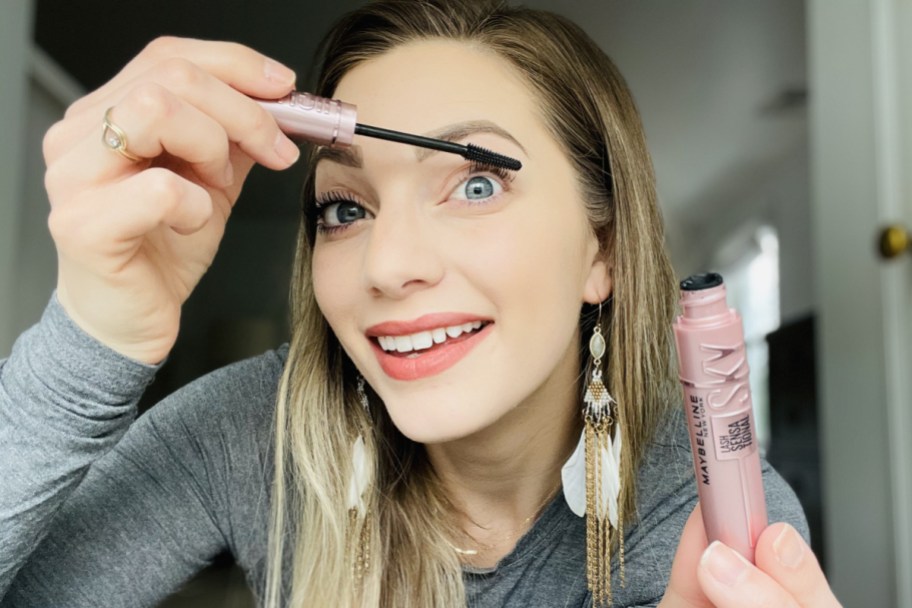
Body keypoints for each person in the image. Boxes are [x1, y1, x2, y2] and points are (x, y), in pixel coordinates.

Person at [0, 1, 841, 606]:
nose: (388, 264)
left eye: (476, 184)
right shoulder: (254, 430)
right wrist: (93, 337)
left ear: (605, 252)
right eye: (344, 209)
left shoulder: (702, 516)